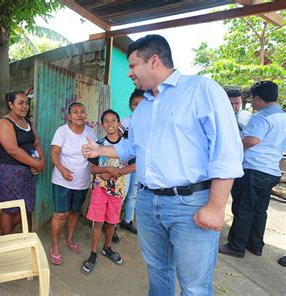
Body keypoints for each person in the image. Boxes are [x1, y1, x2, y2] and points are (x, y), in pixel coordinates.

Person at [82, 34, 243, 295]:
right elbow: (129, 148)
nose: (129, 73)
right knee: (158, 270)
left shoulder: (201, 89)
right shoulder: (143, 108)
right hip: (147, 202)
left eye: (133, 66)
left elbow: (227, 150)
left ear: (154, 61)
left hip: (189, 204)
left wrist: (216, 207)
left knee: (194, 285)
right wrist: (99, 148)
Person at [220, 81, 285, 258]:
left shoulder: (261, 117)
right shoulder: (283, 117)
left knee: (243, 208)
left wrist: (234, 146)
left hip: (254, 169)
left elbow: (251, 141)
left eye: (251, 98)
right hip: (271, 170)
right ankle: (255, 244)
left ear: (257, 98)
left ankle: (236, 246)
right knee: (259, 210)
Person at [81, 109, 135, 275]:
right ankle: (93, 253)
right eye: (106, 121)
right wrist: (106, 168)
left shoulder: (127, 145)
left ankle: (107, 248)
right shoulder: (99, 144)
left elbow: (135, 165)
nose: (110, 124)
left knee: (112, 222)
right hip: (100, 190)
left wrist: (117, 172)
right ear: (102, 124)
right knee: (98, 222)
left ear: (119, 124)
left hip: (117, 191)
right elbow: (92, 168)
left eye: (114, 120)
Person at [49, 102, 96, 265]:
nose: (79, 114)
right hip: (62, 180)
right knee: (60, 214)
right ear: (69, 116)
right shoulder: (62, 131)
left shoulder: (90, 132)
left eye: (82, 111)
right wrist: (61, 169)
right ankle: (54, 245)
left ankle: (68, 239)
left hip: (82, 181)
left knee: (75, 212)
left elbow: (94, 155)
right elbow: (54, 152)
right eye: (75, 112)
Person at [0, 90, 45, 235]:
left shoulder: (28, 122)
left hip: (28, 173)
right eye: (20, 103)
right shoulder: (5, 123)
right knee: (10, 209)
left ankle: (25, 238)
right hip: (10, 173)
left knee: (26, 207)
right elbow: (12, 150)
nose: (24, 106)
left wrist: (41, 160)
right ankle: (6, 239)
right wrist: (35, 164)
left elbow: (37, 142)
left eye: (26, 103)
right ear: (11, 104)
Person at [119, 89, 144, 235]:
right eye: (135, 104)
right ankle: (113, 224)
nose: (138, 107)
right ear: (130, 106)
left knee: (133, 194)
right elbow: (117, 135)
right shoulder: (126, 121)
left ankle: (127, 220)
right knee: (121, 193)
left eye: (141, 104)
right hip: (126, 162)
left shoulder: (149, 123)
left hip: (139, 163)